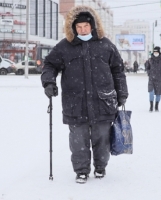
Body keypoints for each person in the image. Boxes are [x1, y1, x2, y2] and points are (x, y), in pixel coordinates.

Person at [41, 5, 128, 184]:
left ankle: (100, 167)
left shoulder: (106, 45)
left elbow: (118, 70)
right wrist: (49, 82)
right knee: (78, 141)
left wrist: (122, 93)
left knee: (102, 139)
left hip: (103, 101)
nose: (82, 30)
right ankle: (81, 170)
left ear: (93, 26)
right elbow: (49, 65)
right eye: (78, 27)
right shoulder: (64, 47)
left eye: (85, 26)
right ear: (73, 28)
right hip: (75, 103)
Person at [145, 46, 161, 112]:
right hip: (151, 79)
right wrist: (149, 73)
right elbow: (147, 68)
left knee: (158, 93)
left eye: (157, 52)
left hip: (159, 79)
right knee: (151, 92)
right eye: (154, 52)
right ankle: (151, 106)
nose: (155, 53)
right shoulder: (150, 60)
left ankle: (156, 106)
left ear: (159, 52)